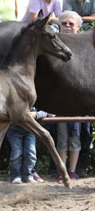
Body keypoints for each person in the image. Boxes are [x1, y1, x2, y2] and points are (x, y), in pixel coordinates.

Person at [57, 10, 83, 182]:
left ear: (78, 27)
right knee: (61, 140)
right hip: (59, 104)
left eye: (70, 24)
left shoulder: (84, 48)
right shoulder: (53, 45)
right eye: (64, 23)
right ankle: (62, 172)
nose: (67, 26)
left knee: (75, 140)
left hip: (80, 104)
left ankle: (72, 171)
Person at [7, 108, 49, 184]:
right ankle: (15, 176)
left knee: (31, 153)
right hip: (14, 130)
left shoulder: (35, 100)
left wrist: (36, 114)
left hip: (30, 131)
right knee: (16, 153)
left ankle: (28, 175)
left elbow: (45, 112)